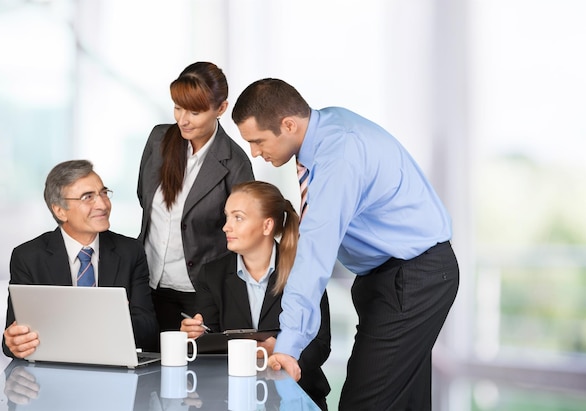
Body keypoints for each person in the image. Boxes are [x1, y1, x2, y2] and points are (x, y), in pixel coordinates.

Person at [231, 78, 460, 410]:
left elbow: (314, 255)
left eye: (258, 141)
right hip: (395, 276)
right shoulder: (326, 128)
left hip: (413, 278)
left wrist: (288, 344)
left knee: (361, 404)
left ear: (288, 124)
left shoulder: (338, 157)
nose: (254, 152)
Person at [181, 181, 331, 410]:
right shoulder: (211, 274)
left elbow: (320, 344)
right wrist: (196, 335)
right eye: (227, 216)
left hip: (297, 395)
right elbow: (209, 344)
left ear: (267, 225)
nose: (226, 227)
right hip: (232, 397)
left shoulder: (304, 271)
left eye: (238, 218)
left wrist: (280, 351)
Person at [137, 62, 254, 337]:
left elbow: (241, 232)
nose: (183, 120)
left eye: (195, 111)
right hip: (148, 285)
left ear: (221, 109)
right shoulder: (158, 139)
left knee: (192, 372)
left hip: (200, 295)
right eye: (178, 107)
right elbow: (144, 198)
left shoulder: (235, 163)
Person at [2, 160, 158, 359]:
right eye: (88, 197)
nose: (102, 204)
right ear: (60, 210)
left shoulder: (129, 251)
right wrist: (15, 342)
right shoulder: (28, 257)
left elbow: (149, 331)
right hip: (52, 372)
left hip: (114, 367)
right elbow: (13, 340)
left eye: (103, 193)